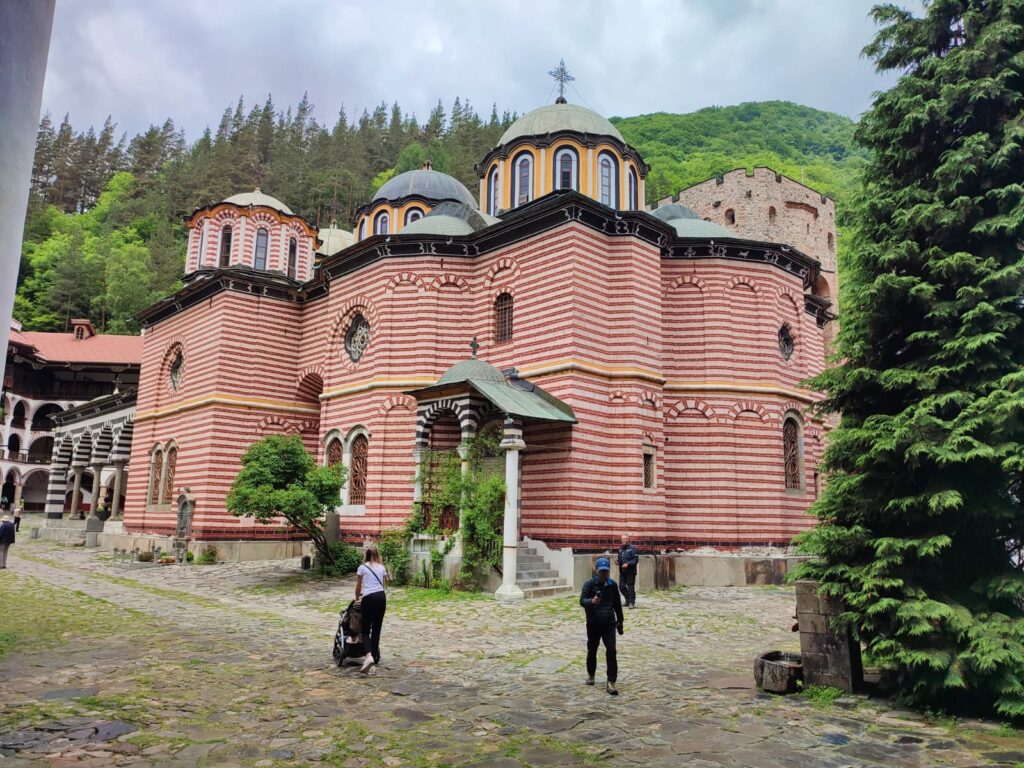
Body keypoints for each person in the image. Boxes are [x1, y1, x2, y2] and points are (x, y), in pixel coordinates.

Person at [580, 556, 624, 695]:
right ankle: (591, 674)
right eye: (601, 572)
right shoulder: (589, 584)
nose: (604, 574)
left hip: (609, 623)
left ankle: (611, 681)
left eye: (606, 571)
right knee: (592, 649)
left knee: (611, 651)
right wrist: (592, 601)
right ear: (597, 571)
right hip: (593, 623)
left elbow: (617, 604)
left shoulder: (613, 585)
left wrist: (620, 621)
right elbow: (582, 601)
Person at [354, 547, 387, 675]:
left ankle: (368, 656)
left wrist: (357, 598)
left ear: (366, 556)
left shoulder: (362, 568)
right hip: (381, 598)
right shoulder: (382, 568)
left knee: (365, 630)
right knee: (376, 630)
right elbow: (383, 586)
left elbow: (358, 587)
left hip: (368, 598)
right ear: (377, 555)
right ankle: (373, 661)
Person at [617, 534, 639, 608]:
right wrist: (618, 562)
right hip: (622, 571)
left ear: (628, 539)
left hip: (630, 571)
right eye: (622, 539)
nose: (623, 540)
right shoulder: (620, 548)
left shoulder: (633, 548)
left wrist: (628, 564)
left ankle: (631, 603)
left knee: (630, 587)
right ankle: (627, 600)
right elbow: (620, 558)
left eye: (625, 538)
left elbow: (635, 559)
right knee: (621, 586)